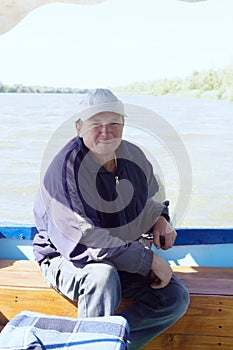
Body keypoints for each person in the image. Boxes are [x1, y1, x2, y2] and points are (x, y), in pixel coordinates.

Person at [33, 88, 190, 349]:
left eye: (114, 123)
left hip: (119, 250)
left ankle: (101, 341)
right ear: (79, 127)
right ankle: (95, 342)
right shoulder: (64, 170)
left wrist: (160, 218)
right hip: (66, 257)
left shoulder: (135, 157)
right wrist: (147, 260)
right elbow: (82, 243)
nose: (106, 132)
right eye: (96, 125)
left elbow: (150, 201)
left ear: (124, 124)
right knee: (102, 277)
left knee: (174, 298)